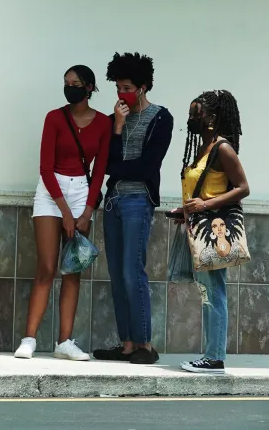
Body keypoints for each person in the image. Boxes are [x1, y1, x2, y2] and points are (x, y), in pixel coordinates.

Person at [14, 66, 110, 361]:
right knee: (46, 268)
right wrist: (66, 213)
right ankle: (29, 338)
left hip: (82, 191)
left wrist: (87, 210)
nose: (70, 88)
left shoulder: (104, 123)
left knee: (73, 268)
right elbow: (45, 167)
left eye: (76, 84)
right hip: (50, 190)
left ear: (90, 87)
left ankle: (64, 342)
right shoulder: (55, 118)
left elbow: (100, 170)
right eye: (66, 83)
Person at [93, 53, 173, 365]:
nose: (121, 93)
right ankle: (126, 343)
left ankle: (145, 344)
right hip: (113, 202)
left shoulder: (161, 118)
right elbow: (107, 160)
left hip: (139, 201)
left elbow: (147, 166)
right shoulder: (117, 118)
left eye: (126, 87)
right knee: (115, 273)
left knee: (132, 272)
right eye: (117, 88)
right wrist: (118, 125)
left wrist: (118, 168)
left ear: (142, 87)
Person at [174, 90, 249, 375]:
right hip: (199, 227)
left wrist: (204, 204)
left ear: (212, 119)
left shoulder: (223, 149)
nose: (192, 119)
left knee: (213, 292)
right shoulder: (204, 148)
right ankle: (211, 355)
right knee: (207, 292)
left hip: (214, 229)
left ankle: (214, 358)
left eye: (197, 113)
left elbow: (243, 188)